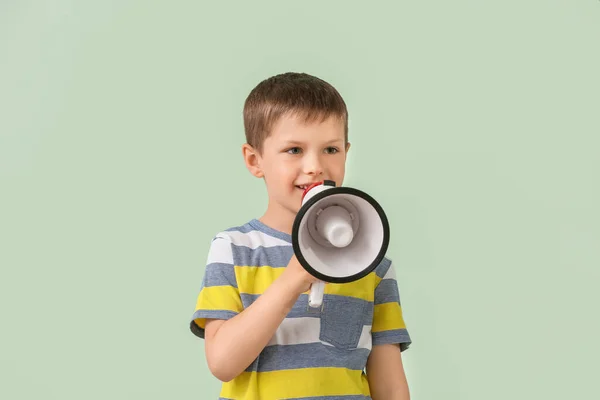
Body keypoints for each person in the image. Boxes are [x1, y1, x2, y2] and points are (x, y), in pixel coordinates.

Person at [189, 72, 412, 399]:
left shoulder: (372, 263)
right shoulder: (236, 250)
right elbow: (222, 362)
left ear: (346, 152)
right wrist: (294, 278)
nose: (315, 166)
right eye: (294, 150)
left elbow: (390, 386)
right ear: (255, 160)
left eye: (331, 150)